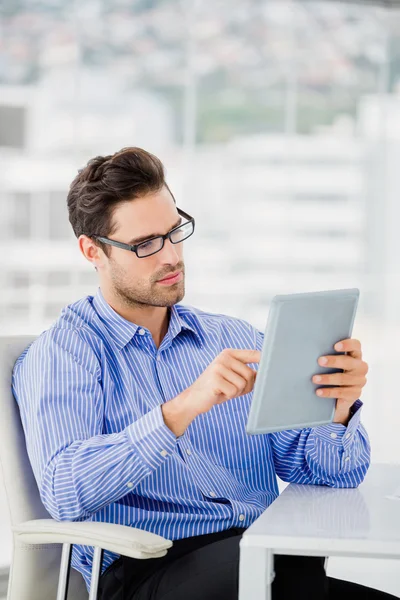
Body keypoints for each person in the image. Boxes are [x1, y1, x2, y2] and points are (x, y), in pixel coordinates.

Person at [12, 147, 396, 600]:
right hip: (150, 570)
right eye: (145, 244)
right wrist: (180, 410)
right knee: (270, 568)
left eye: (174, 232)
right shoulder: (64, 353)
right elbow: (65, 491)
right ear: (93, 251)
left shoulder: (231, 338)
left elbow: (332, 474)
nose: (170, 256)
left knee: (281, 564)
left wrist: (337, 408)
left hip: (262, 561)